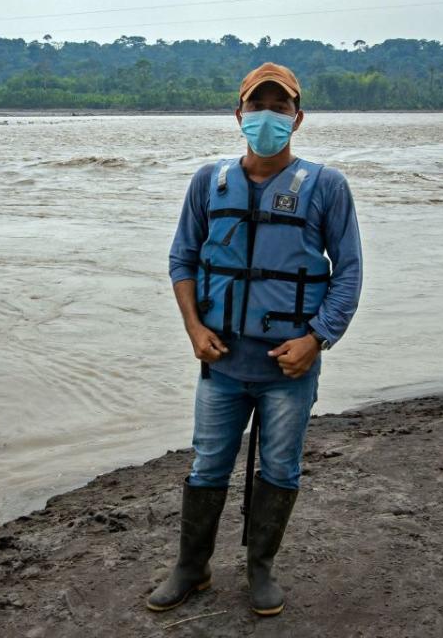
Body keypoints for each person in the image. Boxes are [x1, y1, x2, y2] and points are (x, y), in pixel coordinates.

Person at [148, 62, 363, 616]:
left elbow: (349, 273)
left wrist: (316, 339)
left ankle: (260, 568)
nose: (267, 116)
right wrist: (194, 328)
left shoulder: (326, 187)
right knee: (206, 466)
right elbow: (183, 259)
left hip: (288, 367)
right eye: (257, 106)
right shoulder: (209, 182)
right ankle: (191, 567)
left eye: (279, 107)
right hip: (221, 362)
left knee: (281, 469)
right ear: (238, 114)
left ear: (298, 118)